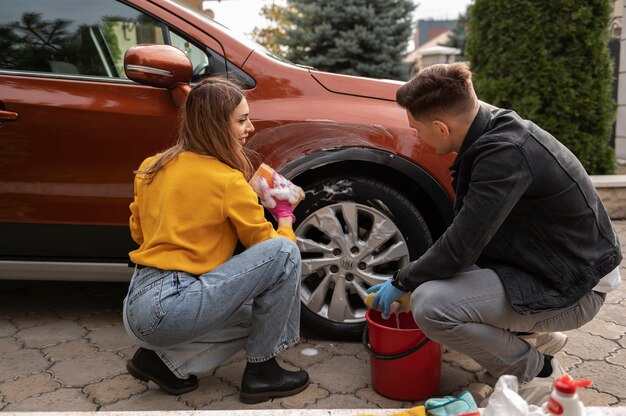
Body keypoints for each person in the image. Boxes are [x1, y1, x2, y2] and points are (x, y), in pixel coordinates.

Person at [368, 63, 621, 406]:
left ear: (441, 128)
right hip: (549, 267)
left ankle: (536, 370)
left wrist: (402, 281)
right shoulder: (491, 131)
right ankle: (536, 337)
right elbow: (465, 238)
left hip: (576, 288)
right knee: (436, 284)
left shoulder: (505, 153)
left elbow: (460, 249)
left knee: (432, 306)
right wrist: (414, 278)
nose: (416, 136)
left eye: (417, 129)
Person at [122, 76, 310, 404]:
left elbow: (139, 233)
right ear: (214, 124)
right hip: (172, 306)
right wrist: (283, 213)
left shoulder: (151, 166)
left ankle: (162, 362)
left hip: (137, 301)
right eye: (241, 120)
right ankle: (263, 371)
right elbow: (278, 254)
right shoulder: (227, 180)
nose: (250, 127)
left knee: (262, 310)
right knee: (282, 255)